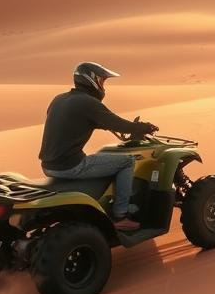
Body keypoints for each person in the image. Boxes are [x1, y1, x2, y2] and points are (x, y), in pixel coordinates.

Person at [38, 62, 158, 231]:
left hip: (48, 166)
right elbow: (116, 122)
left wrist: (110, 125)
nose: (103, 86)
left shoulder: (59, 99)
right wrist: (143, 127)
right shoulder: (88, 103)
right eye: (102, 81)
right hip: (70, 166)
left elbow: (79, 122)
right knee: (127, 161)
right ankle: (121, 216)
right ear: (92, 80)